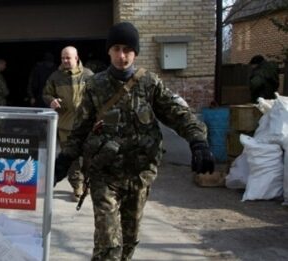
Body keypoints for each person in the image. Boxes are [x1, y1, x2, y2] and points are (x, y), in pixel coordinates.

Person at [53, 22, 215, 261]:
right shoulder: (95, 86)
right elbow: (80, 130)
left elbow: (178, 114)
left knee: (128, 242)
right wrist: (65, 159)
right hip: (104, 175)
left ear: (135, 52)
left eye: (127, 49)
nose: (121, 55)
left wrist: (198, 141)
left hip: (139, 176)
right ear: (108, 51)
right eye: (116, 48)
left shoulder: (149, 84)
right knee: (109, 245)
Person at [43, 46, 93, 202]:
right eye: (63, 58)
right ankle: (77, 186)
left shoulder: (88, 75)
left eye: (68, 58)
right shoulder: (55, 77)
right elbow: (46, 93)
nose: (65, 60)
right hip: (66, 125)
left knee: (88, 157)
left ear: (76, 58)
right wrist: (51, 100)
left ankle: (88, 183)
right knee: (71, 159)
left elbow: (99, 96)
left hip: (86, 125)